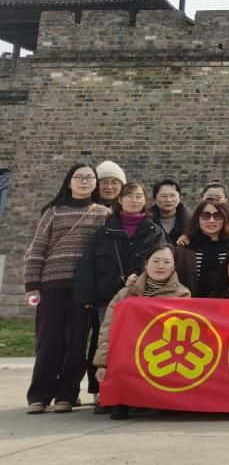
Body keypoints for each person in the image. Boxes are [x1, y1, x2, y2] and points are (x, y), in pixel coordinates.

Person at [24, 163, 109, 415]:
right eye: (78, 177)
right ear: (69, 182)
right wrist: (32, 285)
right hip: (51, 285)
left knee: (77, 342)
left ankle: (67, 395)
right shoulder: (53, 212)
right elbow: (37, 248)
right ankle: (39, 395)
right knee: (49, 341)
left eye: (89, 177)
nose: (84, 181)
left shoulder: (103, 214)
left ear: (95, 183)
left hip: (83, 288)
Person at [74, 181, 165, 413]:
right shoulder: (104, 231)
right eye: (129, 196)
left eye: (139, 196)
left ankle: (133, 393)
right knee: (104, 343)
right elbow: (88, 264)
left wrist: (139, 275)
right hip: (106, 297)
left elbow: (163, 259)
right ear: (120, 200)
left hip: (141, 298)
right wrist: (87, 296)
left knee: (136, 344)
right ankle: (101, 391)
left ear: (146, 201)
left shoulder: (154, 231)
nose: (134, 200)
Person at [93, 243, 191, 420]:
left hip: (160, 351)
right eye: (156, 261)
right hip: (129, 350)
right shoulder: (125, 294)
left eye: (166, 262)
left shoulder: (182, 295)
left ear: (174, 266)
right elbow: (108, 328)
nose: (160, 266)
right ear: (146, 263)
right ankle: (121, 400)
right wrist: (102, 364)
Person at [176, 198, 229, 298]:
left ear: (225, 218)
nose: (211, 220)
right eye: (206, 216)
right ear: (198, 219)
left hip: (228, 304)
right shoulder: (186, 248)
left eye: (217, 216)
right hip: (190, 304)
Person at [150, 179, 188, 244]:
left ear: (180, 198)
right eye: (163, 196)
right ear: (154, 199)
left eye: (173, 195)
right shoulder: (146, 222)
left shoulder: (192, 221)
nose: (168, 200)